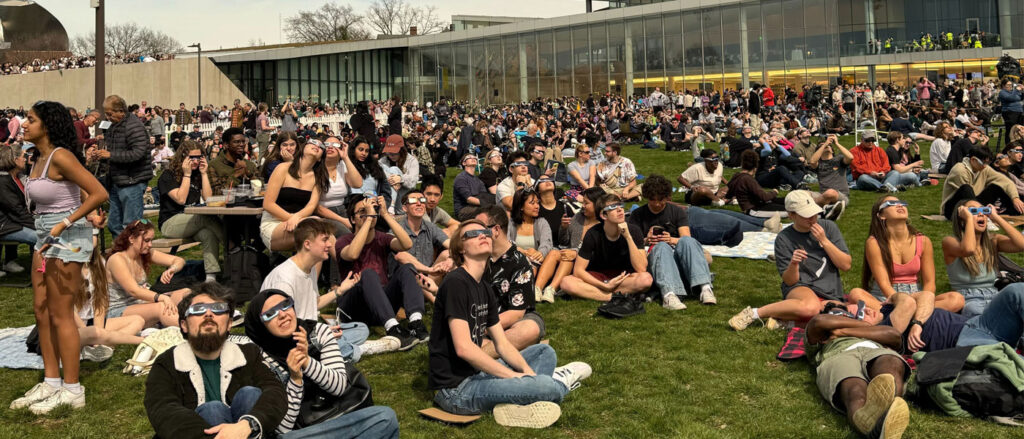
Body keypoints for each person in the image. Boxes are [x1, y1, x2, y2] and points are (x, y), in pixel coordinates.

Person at [428, 219, 592, 426]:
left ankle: (519, 400)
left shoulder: (483, 287)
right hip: (457, 390)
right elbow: (464, 349)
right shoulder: (456, 283)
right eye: (472, 234)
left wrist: (527, 374)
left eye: (485, 231)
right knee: (545, 387)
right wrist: (514, 378)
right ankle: (557, 383)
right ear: (461, 248)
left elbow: (502, 344)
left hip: (479, 373)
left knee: (544, 353)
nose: (482, 235)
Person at [12, 101, 108, 415]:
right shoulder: (37, 158)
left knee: (61, 313)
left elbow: (98, 192)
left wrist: (69, 221)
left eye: (30, 119)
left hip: (67, 238)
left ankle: (73, 389)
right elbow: (71, 191)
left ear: (48, 125)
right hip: (44, 236)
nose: (24, 124)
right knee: (41, 310)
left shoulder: (61, 156)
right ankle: (51, 381)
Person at [243, 290, 400, 438]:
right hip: (306, 432)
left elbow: (339, 387)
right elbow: (283, 428)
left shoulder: (318, 332)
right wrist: (295, 378)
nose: (282, 314)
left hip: (342, 417)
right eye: (270, 314)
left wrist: (306, 362)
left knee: (385, 417)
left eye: (285, 305)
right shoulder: (262, 358)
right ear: (259, 324)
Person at [144, 283, 287, 439]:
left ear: (229, 324)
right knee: (213, 409)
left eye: (218, 308)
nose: (209, 314)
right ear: (184, 325)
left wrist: (248, 424)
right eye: (198, 310)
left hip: (247, 433)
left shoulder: (248, 354)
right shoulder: (167, 363)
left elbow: (275, 392)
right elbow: (163, 410)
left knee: (250, 394)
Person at [261, 218, 396, 362]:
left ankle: (336, 346)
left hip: (308, 331)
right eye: (325, 240)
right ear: (307, 244)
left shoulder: (309, 268)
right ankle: (356, 350)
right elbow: (279, 325)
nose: (330, 244)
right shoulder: (285, 278)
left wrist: (340, 290)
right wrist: (317, 333)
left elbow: (314, 303)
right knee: (328, 343)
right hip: (290, 341)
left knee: (360, 328)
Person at [730, 191, 852, 330]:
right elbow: (790, 281)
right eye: (807, 215)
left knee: (841, 316)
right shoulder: (784, 238)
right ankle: (754, 313)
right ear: (791, 215)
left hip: (829, 290)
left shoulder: (828, 227)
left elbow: (846, 265)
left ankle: (788, 322)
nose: (812, 219)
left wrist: (824, 241)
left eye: (814, 213)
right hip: (801, 286)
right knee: (811, 308)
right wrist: (794, 264)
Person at [336, 194, 424, 350]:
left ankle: (416, 322)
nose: (369, 213)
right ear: (353, 219)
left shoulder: (381, 238)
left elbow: (407, 244)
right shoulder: (344, 241)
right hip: (353, 307)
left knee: (406, 268)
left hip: (380, 306)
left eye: (371, 210)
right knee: (368, 273)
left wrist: (384, 214)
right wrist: (369, 218)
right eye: (362, 211)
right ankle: (392, 328)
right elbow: (353, 254)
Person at [803, 310, 911, 438]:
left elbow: (894, 335)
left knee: (890, 367)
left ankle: (881, 421)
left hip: (874, 350)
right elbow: (819, 322)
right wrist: (867, 326)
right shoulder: (820, 334)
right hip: (838, 354)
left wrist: (842, 331)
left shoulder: (844, 331)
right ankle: (876, 429)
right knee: (856, 392)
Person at [847, 196, 964, 312]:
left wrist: (924, 300)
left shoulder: (923, 241)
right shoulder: (874, 243)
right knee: (856, 294)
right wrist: (903, 303)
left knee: (956, 299)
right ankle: (913, 315)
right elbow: (884, 284)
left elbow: (929, 283)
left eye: (902, 203)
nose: (899, 205)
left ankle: (897, 316)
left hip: (916, 296)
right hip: (885, 298)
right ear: (881, 215)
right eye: (890, 204)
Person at [628, 175, 716, 309]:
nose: (657, 204)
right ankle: (669, 295)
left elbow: (686, 237)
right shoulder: (637, 215)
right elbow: (634, 246)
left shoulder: (676, 212)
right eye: (653, 200)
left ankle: (705, 288)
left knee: (687, 241)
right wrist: (647, 239)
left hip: (677, 251)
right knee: (662, 247)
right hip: (654, 254)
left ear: (667, 197)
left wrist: (670, 239)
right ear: (647, 198)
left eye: (661, 200)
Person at [559, 193, 653, 301]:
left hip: (624, 277)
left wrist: (628, 237)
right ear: (604, 215)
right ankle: (611, 297)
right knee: (566, 282)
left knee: (646, 279)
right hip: (599, 276)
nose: (620, 210)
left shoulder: (633, 230)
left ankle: (593, 293)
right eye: (613, 207)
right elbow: (578, 270)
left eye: (620, 205)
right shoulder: (593, 233)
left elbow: (641, 268)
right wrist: (605, 286)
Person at [943, 198, 1024, 318]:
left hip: (994, 295)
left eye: (983, 210)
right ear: (962, 220)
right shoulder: (950, 242)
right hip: (968, 299)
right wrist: (969, 219)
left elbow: (1021, 244)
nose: (981, 213)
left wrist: (996, 217)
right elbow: (968, 249)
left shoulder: (993, 241)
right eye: (974, 211)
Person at [106, 220, 191, 328]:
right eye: (146, 240)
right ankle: (193, 333)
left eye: (151, 240)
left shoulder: (144, 254)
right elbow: (134, 291)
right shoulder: (117, 259)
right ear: (131, 239)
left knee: (185, 293)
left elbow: (179, 260)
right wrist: (162, 297)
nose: (150, 244)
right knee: (162, 307)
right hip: (119, 310)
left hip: (142, 304)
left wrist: (172, 269)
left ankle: (197, 323)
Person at [157, 141, 222, 281]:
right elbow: (180, 199)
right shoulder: (168, 176)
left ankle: (211, 278)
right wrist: (186, 175)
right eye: (192, 157)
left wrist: (204, 174)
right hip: (170, 223)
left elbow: (209, 199)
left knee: (208, 234)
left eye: (199, 157)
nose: (196, 161)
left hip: (191, 222)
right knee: (205, 217)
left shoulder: (197, 174)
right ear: (183, 157)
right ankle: (233, 247)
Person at [97, 95, 153, 237]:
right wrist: (101, 156)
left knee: (131, 226)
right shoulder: (114, 126)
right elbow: (112, 150)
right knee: (114, 224)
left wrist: (110, 155)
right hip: (118, 180)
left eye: (110, 114)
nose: (107, 117)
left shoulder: (134, 126)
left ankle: (134, 256)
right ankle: (121, 255)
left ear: (121, 111)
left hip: (132, 180)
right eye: (106, 113)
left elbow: (138, 153)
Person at [261, 138, 328, 251]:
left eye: (321, 147)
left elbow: (311, 206)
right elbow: (268, 204)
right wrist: (291, 218)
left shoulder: (318, 178)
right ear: (302, 148)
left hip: (301, 223)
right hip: (274, 223)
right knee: (317, 229)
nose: (317, 145)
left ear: (320, 158)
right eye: (313, 142)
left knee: (319, 238)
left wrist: (296, 218)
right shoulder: (283, 168)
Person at [392, 190, 451, 300]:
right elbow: (400, 256)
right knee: (409, 269)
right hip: (404, 283)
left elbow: (453, 246)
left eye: (422, 200)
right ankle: (439, 302)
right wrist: (429, 270)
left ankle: (461, 296)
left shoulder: (430, 227)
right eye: (413, 200)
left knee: (448, 254)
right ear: (405, 208)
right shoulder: (397, 228)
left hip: (429, 278)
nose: (419, 203)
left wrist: (451, 260)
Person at [940, 147, 1023, 219]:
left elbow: (1006, 182)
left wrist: (1015, 198)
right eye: (983, 163)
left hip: (974, 202)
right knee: (966, 188)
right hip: (954, 209)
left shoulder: (984, 168)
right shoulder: (960, 170)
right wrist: (984, 209)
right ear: (973, 160)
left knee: (998, 186)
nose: (985, 166)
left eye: (988, 163)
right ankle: (981, 214)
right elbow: (966, 196)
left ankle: (1016, 211)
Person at [316, 136, 363, 236]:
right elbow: (316, 207)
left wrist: (345, 158)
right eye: (327, 144)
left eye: (335, 145)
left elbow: (357, 184)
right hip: (323, 213)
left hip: (343, 210)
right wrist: (343, 220)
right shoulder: (316, 168)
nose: (330, 147)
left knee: (366, 230)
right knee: (348, 235)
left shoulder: (342, 165)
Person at [0, 144, 35, 275]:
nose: (25, 159)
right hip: (5, 226)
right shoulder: (3, 181)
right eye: (23, 156)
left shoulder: (17, 177)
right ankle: (41, 271)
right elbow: (16, 210)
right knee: (40, 237)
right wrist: (37, 226)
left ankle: (10, 261)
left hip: (13, 222)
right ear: (14, 160)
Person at [725, 150, 787, 218]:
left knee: (785, 201)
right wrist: (775, 192)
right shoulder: (748, 179)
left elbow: (728, 195)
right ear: (755, 167)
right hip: (755, 210)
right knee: (791, 211)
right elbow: (764, 197)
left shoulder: (736, 176)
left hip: (755, 206)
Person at [210, 127, 258, 194]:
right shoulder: (214, 165)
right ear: (226, 145)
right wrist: (236, 175)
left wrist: (248, 174)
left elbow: (261, 187)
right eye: (236, 142)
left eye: (243, 141)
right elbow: (215, 193)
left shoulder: (249, 165)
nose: (241, 144)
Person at [379, 134, 419, 203]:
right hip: (386, 197)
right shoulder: (384, 160)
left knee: (394, 170)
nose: (391, 155)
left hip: (405, 199)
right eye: (388, 153)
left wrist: (400, 179)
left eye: (394, 153)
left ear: (401, 150)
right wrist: (390, 179)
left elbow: (413, 181)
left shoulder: (412, 161)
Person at [452, 153, 488, 219]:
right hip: (463, 210)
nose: (473, 158)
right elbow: (469, 199)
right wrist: (487, 203)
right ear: (464, 163)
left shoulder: (479, 180)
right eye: (469, 157)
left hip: (477, 206)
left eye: (474, 157)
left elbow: (484, 195)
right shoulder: (461, 178)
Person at [999, 78, 1023, 145]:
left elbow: (1020, 98)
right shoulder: (1002, 92)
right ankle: (1009, 145)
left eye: (1011, 85)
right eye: (1008, 85)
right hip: (1009, 112)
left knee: (1019, 130)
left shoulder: (1013, 92)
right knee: (1011, 130)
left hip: (1018, 112)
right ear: (1003, 85)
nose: (1010, 86)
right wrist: (1016, 90)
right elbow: (1010, 98)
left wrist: (1022, 90)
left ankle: (1019, 144)